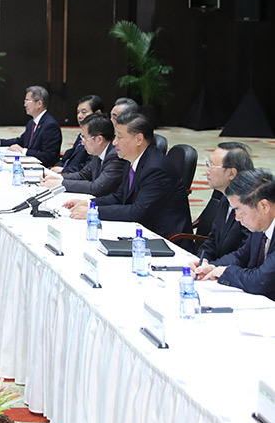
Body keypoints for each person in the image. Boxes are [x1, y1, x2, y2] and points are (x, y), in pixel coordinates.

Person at [63, 111, 191, 237]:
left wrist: (94, 211)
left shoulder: (156, 169)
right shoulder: (133, 160)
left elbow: (137, 212)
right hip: (141, 230)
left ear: (138, 139)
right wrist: (89, 203)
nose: (114, 142)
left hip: (163, 238)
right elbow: (119, 197)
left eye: (119, 137)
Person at [193, 169, 275, 299]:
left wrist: (225, 272)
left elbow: (260, 281)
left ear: (263, 206)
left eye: (241, 212)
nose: (237, 218)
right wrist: (212, 267)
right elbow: (240, 256)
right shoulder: (261, 225)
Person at [40, 113, 126, 197]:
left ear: (99, 140)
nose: (82, 143)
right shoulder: (97, 152)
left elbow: (97, 187)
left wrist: (60, 183)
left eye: (84, 138)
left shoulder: (115, 156)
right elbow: (82, 175)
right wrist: (58, 177)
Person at [195, 143, 255, 262]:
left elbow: (245, 254)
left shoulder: (250, 205)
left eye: (212, 166)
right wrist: (201, 260)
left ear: (231, 173)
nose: (207, 171)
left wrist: (213, 266)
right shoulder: (224, 198)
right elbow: (212, 241)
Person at [0, 85, 62, 168]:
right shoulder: (31, 123)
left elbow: (48, 156)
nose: (25, 105)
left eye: (27, 101)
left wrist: (23, 151)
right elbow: (21, 141)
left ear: (39, 103)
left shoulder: (50, 125)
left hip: (43, 168)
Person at [52, 94, 104, 174]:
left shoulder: (98, 137)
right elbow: (69, 156)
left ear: (97, 113)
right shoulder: (83, 133)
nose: (79, 116)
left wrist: (64, 170)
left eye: (84, 112)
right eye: (78, 112)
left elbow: (88, 168)